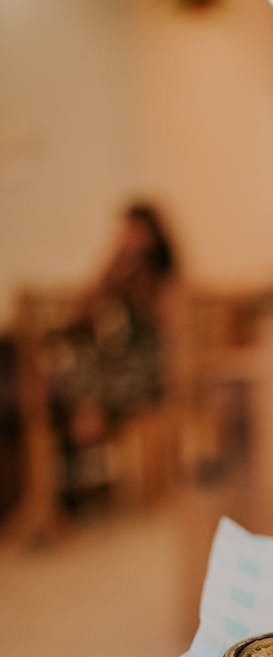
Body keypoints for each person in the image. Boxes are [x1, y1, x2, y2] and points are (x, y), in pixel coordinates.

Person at [46, 202, 182, 504]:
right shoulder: (117, 271)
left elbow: (168, 331)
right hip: (119, 362)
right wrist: (111, 267)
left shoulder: (164, 278)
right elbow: (78, 314)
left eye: (134, 230)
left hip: (149, 367)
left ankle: (85, 437)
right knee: (70, 371)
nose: (127, 237)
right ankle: (82, 443)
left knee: (85, 383)